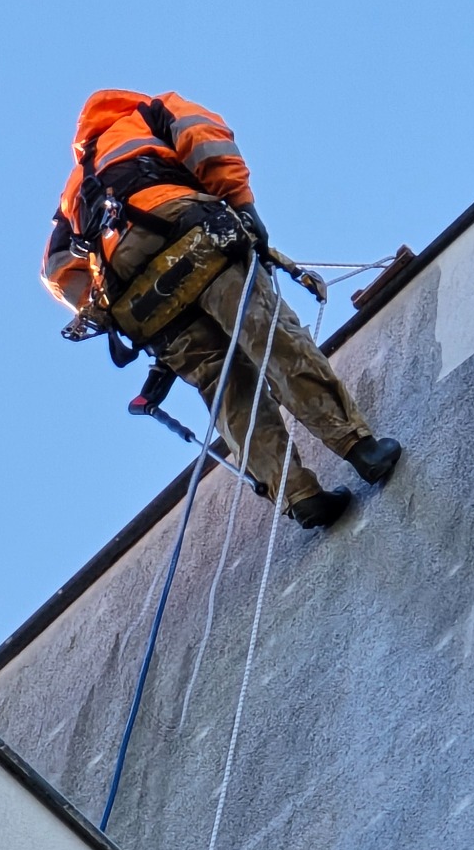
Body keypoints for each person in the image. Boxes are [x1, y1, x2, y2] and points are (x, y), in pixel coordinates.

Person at [42, 90, 401, 528]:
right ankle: (360, 449)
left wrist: (118, 304)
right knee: (270, 339)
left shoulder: (73, 191)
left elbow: (59, 269)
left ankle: (300, 496)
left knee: (226, 386)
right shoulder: (151, 111)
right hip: (194, 239)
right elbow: (206, 140)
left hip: (138, 302)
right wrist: (242, 204)